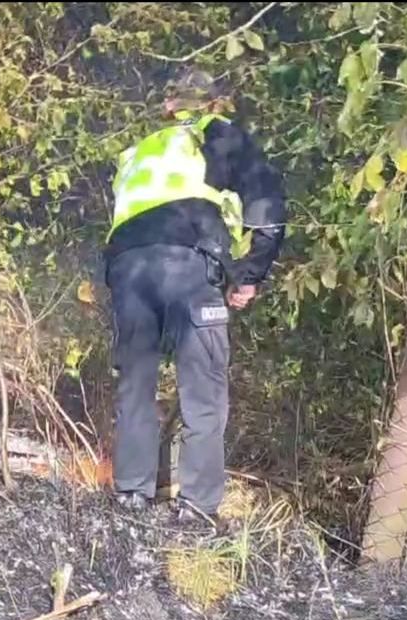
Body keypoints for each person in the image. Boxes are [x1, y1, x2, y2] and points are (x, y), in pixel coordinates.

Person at [105, 72, 286, 524]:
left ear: (169, 107)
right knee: (203, 385)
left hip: (127, 269)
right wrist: (248, 277)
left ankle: (130, 494)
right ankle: (197, 507)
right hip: (188, 267)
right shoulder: (218, 135)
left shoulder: (139, 152)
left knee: (136, 382)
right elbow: (266, 211)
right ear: (215, 104)